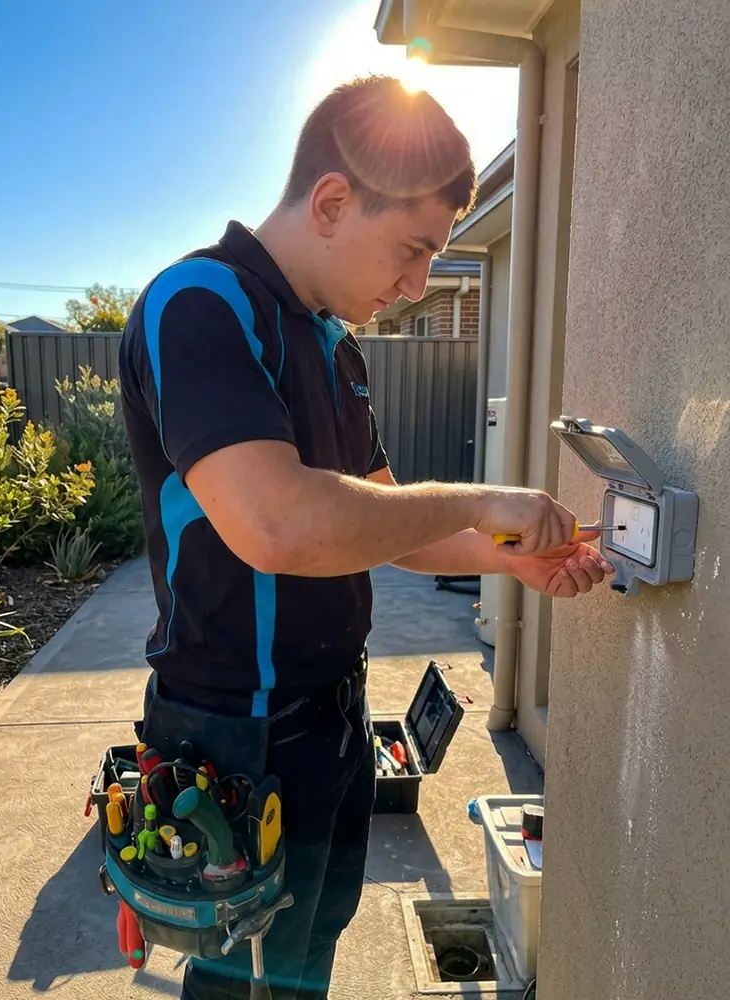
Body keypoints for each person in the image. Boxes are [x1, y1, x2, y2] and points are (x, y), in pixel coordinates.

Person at [118, 75, 614, 1000]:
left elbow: (390, 524)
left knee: (305, 961)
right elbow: (283, 525)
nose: (419, 284)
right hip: (234, 731)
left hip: (333, 715)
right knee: (239, 984)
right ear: (335, 201)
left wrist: (517, 561)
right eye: (415, 249)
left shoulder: (334, 344)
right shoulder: (199, 303)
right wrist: (480, 502)